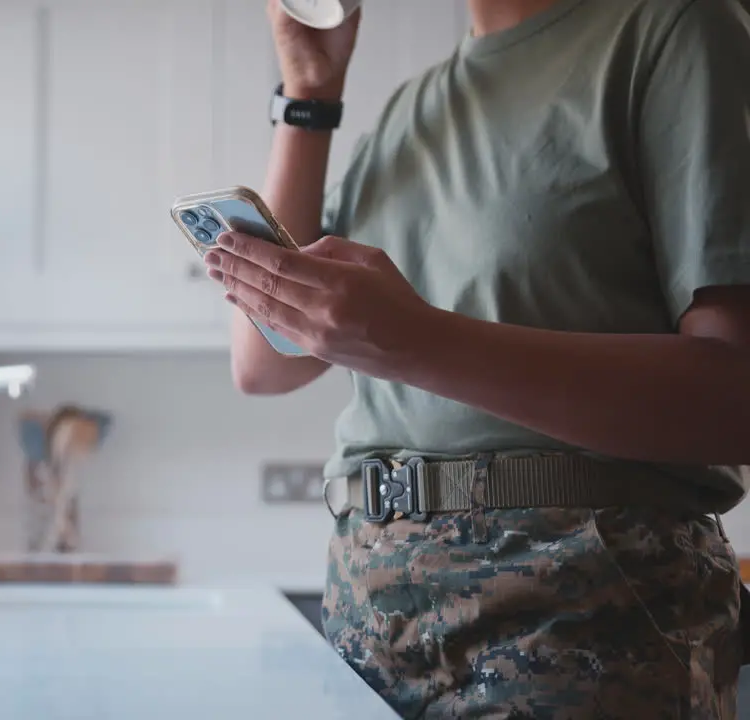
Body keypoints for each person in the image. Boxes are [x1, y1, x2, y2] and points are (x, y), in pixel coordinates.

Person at [204, 0, 750, 716]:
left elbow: (734, 399)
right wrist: (309, 96)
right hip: (368, 629)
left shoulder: (675, 28)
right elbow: (265, 362)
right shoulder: (410, 110)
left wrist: (417, 341)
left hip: (576, 620)